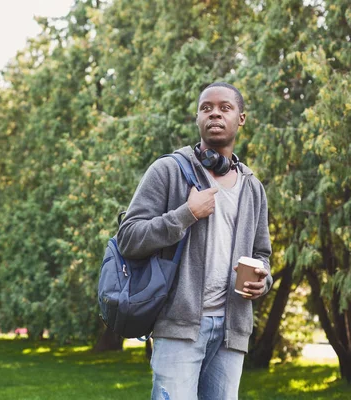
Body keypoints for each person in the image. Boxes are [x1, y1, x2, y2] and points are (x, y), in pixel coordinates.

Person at [117, 82, 273, 400]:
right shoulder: (168, 171)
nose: (214, 112)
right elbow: (128, 238)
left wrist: (264, 280)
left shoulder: (252, 187)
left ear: (241, 118)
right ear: (198, 118)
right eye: (206, 107)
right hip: (179, 326)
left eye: (224, 107)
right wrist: (186, 213)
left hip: (232, 330)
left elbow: (262, 253)